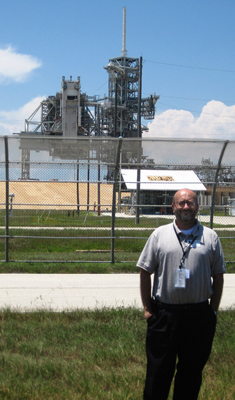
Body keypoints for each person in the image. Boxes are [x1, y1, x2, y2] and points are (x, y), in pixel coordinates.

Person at [137, 188, 226, 400]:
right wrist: (148, 309)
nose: (186, 207)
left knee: (191, 374)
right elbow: (144, 271)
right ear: (173, 207)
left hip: (198, 317)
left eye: (190, 203)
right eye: (181, 203)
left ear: (198, 206)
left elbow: (219, 276)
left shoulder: (211, 237)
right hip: (164, 315)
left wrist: (212, 311)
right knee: (158, 374)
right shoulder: (159, 235)